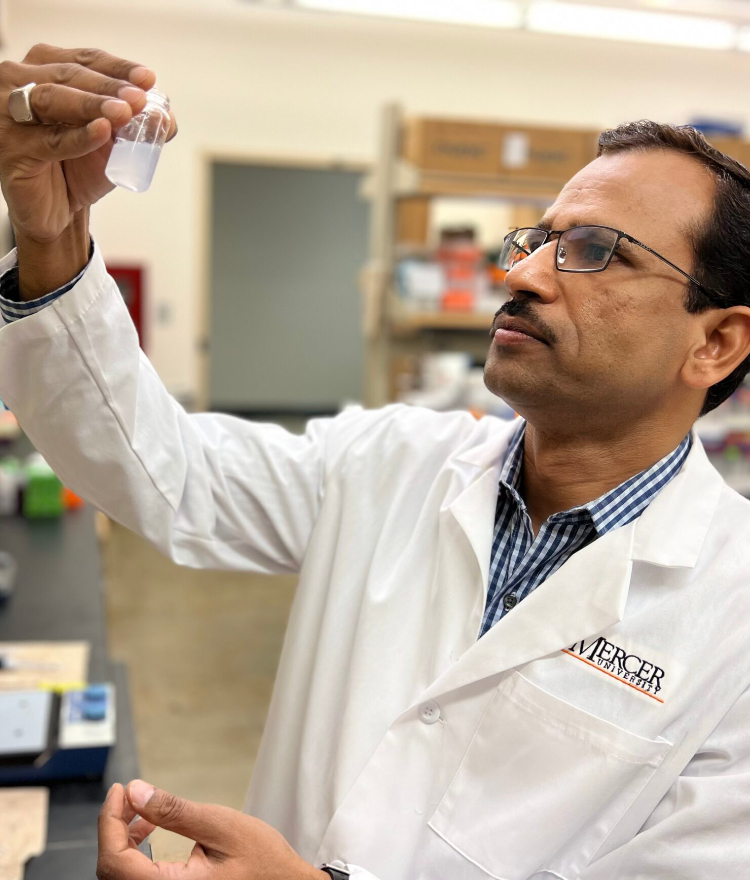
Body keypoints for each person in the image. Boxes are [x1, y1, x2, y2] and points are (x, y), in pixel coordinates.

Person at [0, 43, 749, 880]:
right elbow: (161, 473)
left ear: (716, 341)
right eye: (540, 239)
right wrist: (53, 230)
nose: (524, 272)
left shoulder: (735, 615)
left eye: (597, 250)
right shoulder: (392, 463)